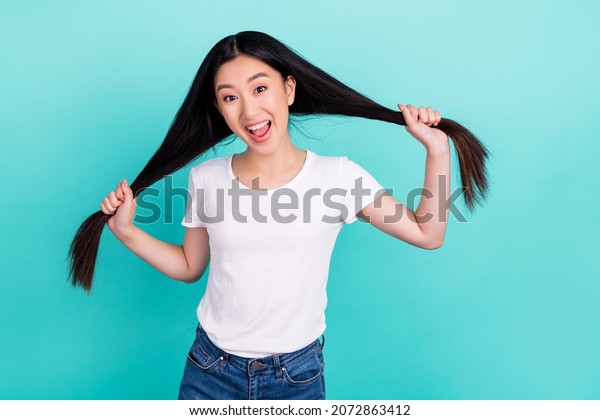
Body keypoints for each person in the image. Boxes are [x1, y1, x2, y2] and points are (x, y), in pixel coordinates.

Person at [91, 31, 485, 400]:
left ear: (289, 89)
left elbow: (427, 233)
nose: (249, 110)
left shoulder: (338, 177)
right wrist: (126, 232)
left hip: (296, 376)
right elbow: (191, 265)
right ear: (219, 109)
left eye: (260, 88)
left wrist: (436, 150)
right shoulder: (205, 179)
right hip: (210, 369)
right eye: (230, 97)